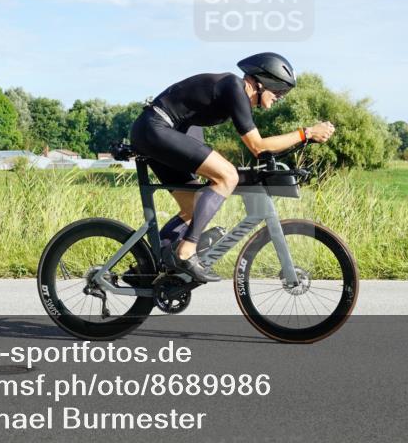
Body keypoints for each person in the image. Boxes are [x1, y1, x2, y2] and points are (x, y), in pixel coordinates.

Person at [129, 52, 335, 283]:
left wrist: (304, 139)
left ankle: (145, 269)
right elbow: (257, 146)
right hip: (156, 129)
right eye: (279, 91)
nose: (281, 97)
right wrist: (305, 133)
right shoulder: (234, 87)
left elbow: (259, 149)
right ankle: (186, 252)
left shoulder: (233, 93)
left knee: (193, 208)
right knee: (228, 176)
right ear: (262, 81)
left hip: (162, 132)